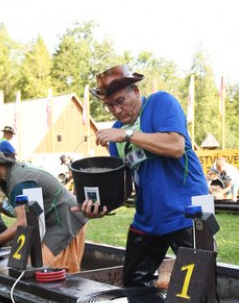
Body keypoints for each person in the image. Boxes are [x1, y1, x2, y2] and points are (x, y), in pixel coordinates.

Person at [77, 64, 209, 287]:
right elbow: (124, 189)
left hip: (192, 210)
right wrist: (100, 207)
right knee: (133, 286)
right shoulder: (117, 136)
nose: (117, 111)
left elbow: (175, 146)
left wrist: (127, 134)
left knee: (199, 290)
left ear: (136, 92)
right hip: (148, 218)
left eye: (120, 101)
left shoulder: (160, 103)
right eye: (109, 106)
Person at [0, 148, 87, 272]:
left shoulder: (19, 183)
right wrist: (1, 207)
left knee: (46, 270)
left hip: (66, 219)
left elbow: (24, 223)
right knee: (31, 266)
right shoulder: (11, 175)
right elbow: (28, 212)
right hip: (51, 220)